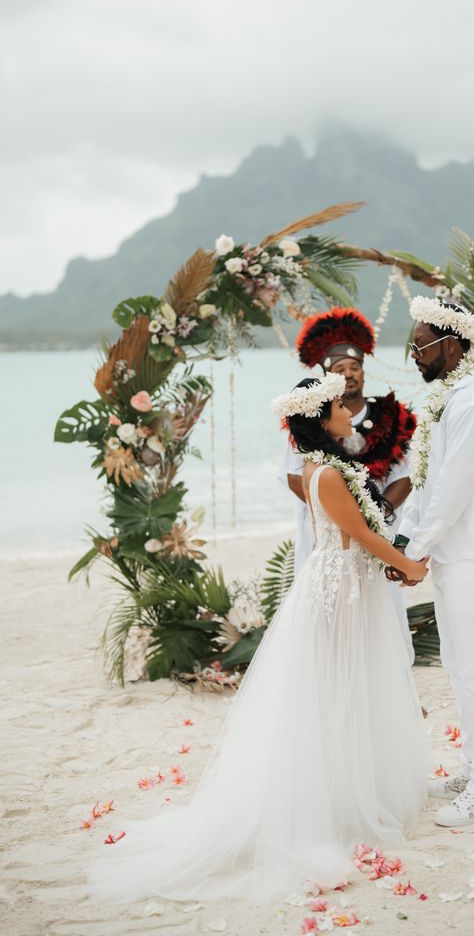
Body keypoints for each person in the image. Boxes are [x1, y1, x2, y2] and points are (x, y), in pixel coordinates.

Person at [89, 373, 429, 905]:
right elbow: (359, 536)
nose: (348, 409)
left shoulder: (330, 467)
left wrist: (391, 558)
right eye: (339, 405)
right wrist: (408, 564)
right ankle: (330, 803)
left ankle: (348, 792)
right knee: (336, 688)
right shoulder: (329, 474)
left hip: (345, 584)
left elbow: (360, 534)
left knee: (346, 686)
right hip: (337, 591)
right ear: (320, 419)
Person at [387, 294, 474, 828]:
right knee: (458, 665)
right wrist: (402, 542)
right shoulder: (448, 399)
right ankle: (473, 768)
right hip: (451, 552)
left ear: (453, 343)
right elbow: (426, 483)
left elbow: (455, 491)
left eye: (420, 346)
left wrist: (413, 552)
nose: (414, 356)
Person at [278, 307, 417, 658]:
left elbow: (405, 475)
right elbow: (296, 478)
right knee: (340, 637)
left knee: (379, 625)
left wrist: (378, 508)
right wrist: (349, 512)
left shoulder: (390, 418)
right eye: (340, 370)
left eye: (355, 368)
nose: (349, 375)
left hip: (372, 529)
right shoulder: (320, 461)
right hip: (336, 541)